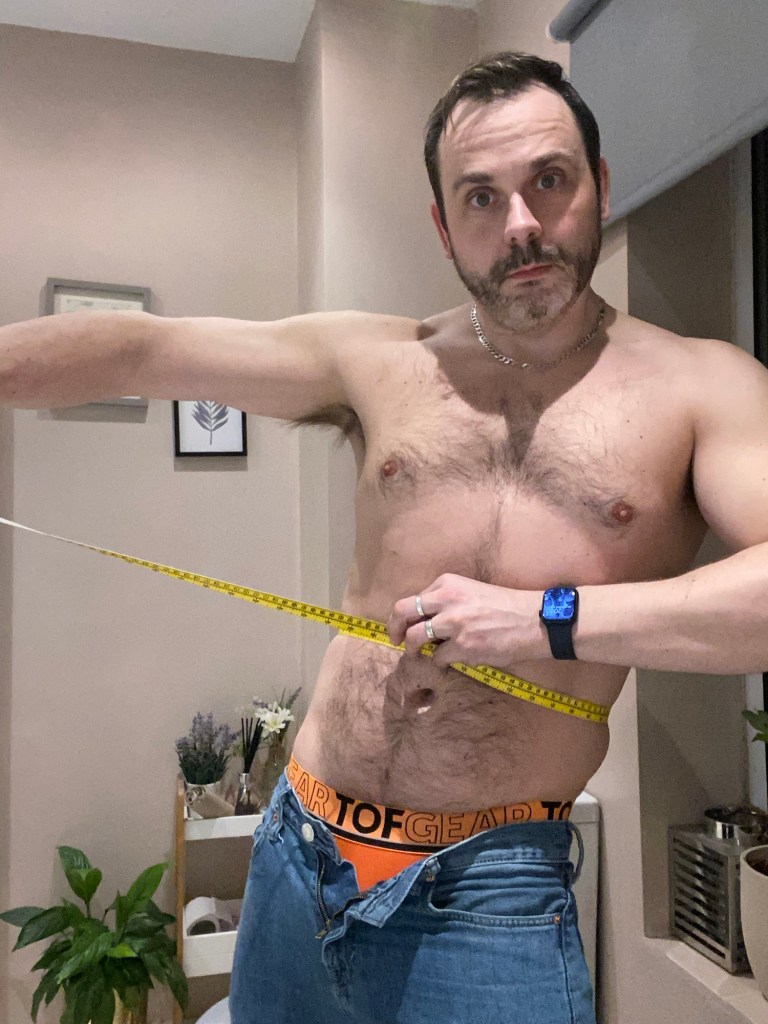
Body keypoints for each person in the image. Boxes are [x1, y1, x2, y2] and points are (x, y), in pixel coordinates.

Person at [1, 50, 767, 1024]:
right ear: (444, 226)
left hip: (486, 896)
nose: (521, 223)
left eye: (550, 180)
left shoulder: (701, 387)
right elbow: (146, 349)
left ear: (601, 186)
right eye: (481, 197)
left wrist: (548, 619)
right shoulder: (381, 359)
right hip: (298, 855)